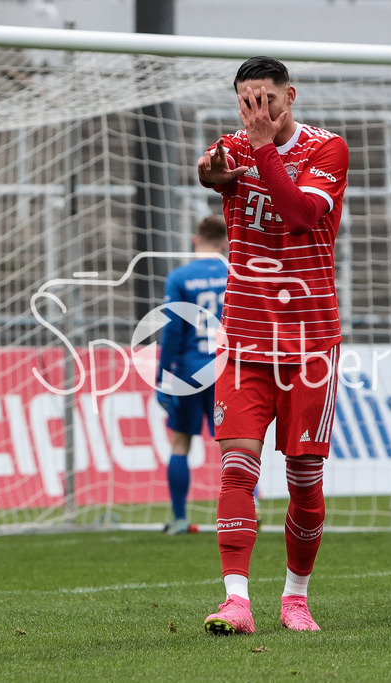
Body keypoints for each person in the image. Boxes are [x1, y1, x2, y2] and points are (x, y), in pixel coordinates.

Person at [195, 56, 348, 635]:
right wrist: (212, 171)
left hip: (310, 342)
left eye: (267, 100)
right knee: (237, 468)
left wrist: (260, 152)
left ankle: (295, 598)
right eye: (246, 102)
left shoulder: (328, 150)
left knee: (305, 476)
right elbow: (209, 172)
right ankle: (236, 600)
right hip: (245, 338)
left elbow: (303, 213)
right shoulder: (235, 143)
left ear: (291, 95)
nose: (257, 113)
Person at [155, 215, 229, 535]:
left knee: (180, 442)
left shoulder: (180, 276)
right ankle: (247, 512)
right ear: (226, 241)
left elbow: (171, 329)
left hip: (188, 368)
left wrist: (162, 374)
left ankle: (180, 517)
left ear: (195, 240)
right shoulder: (235, 273)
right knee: (235, 444)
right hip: (227, 368)